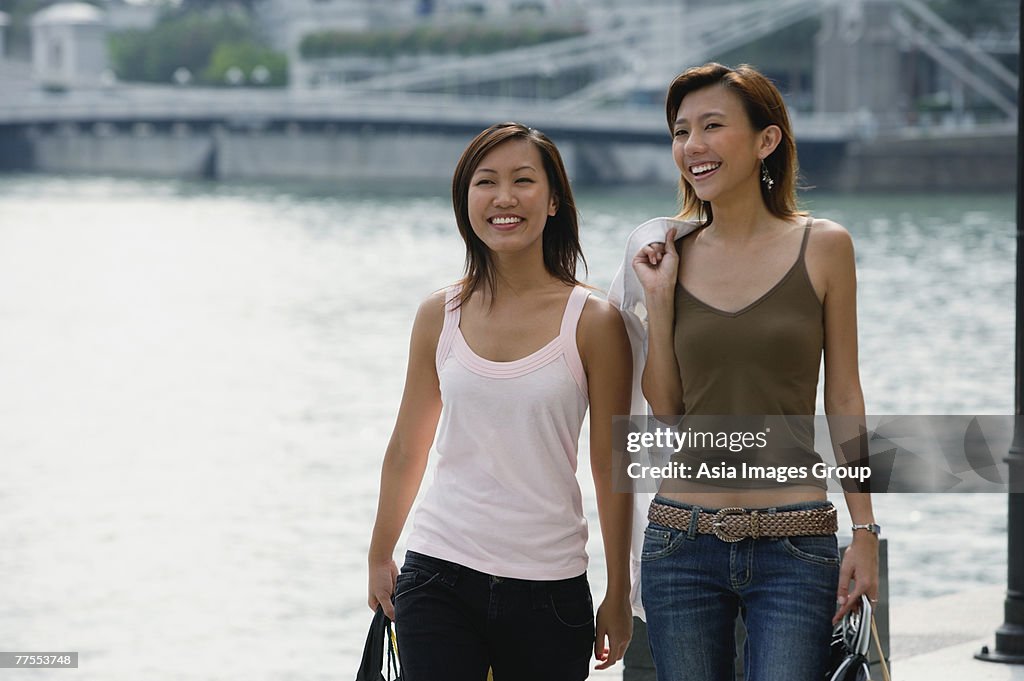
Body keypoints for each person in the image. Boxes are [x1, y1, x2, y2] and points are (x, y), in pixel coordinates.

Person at [625, 63, 880, 680]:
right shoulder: (670, 254)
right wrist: (659, 298)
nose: (693, 146)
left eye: (713, 126)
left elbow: (843, 393)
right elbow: (665, 408)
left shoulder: (823, 246)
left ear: (767, 141)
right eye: (681, 131)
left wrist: (865, 528)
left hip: (796, 543)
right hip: (679, 541)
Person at [366, 122, 634, 681]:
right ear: (466, 201)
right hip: (438, 572)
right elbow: (407, 446)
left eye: (523, 181)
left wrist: (618, 590)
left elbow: (611, 465)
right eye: (485, 182)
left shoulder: (594, 321)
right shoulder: (438, 314)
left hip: (549, 585)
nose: (504, 197)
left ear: (554, 199)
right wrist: (380, 552)